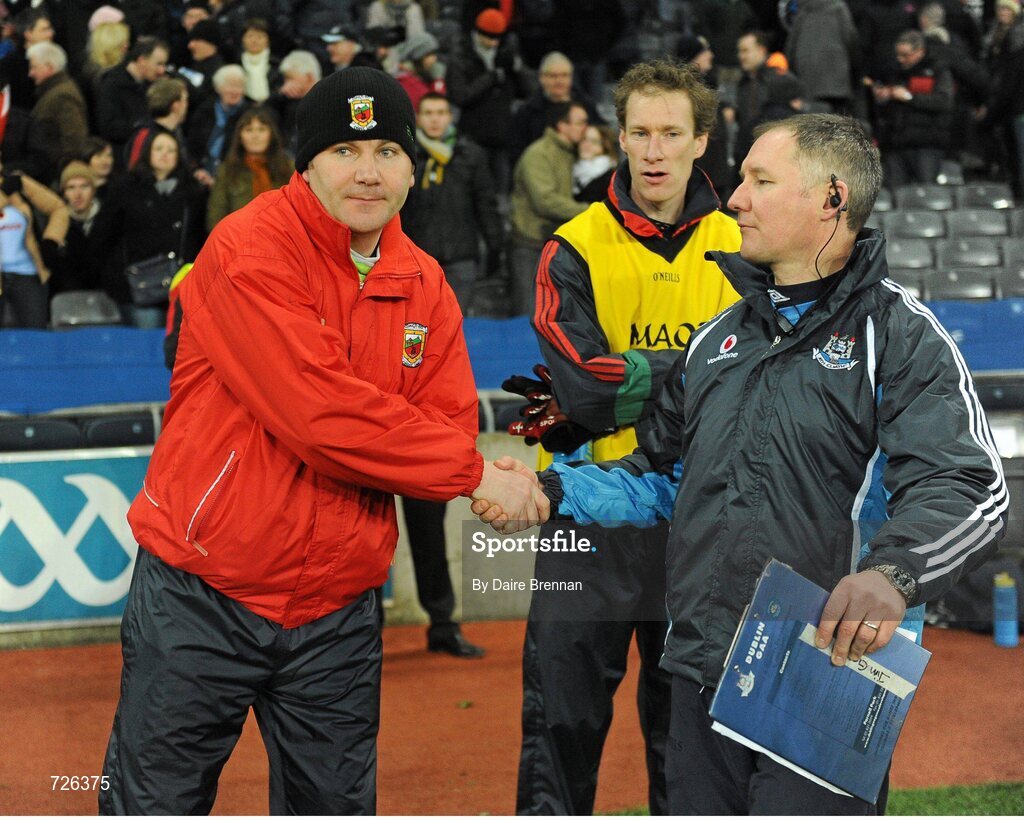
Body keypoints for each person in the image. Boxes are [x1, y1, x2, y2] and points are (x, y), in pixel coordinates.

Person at [476, 113, 1008, 815]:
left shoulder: (899, 335)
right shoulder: (716, 341)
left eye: (760, 180)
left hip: (830, 669)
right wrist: (548, 490)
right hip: (703, 668)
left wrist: (894, 574)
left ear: (831, 199)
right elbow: (658, 478)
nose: (735, 199)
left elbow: (970, 486)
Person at [98, 65, 544, 815]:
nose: (367, 173)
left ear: (414, 167)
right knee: (153, 804)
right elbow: (318, 414)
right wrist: (473, 474)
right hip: (204, 591)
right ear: (305, 165)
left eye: (387, 153)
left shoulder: (425, 280)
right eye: (343, 151)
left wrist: (462, 463)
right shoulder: (248, 246)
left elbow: (445, 420)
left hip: (337, 608)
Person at [508, 59, 741, 816]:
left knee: (690, 737)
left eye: (671, 133)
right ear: (618, 138)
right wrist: (703, 367)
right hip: (587, 516)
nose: (653, 150)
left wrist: (631, 379)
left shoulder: (747, 241)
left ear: (700, 141)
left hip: (699, 524)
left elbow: (763, 378)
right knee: (560, 726)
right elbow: (580, 386)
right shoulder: (571, 245)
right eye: (638, 132)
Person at [93, 130, 206, 326]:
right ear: (147, 153)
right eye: (159, 148)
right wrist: (116, 278)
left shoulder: (193, 192)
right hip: (138, 285)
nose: (165, 154)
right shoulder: (125, 188)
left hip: (181, 285)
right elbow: (103, 236)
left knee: (179, 351)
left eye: (171, 150)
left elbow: (199, 238)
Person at [508, 100, 589, 316]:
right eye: (580, 122)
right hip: (530, 243)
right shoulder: (539, 154)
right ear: (562, 126)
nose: (585, 128)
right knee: (528, 313)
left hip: (555, 243)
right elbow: (545, 201)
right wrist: (591, 211)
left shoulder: (573, 153)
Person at [446, 8, 530, 195]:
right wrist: (490, 77)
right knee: (472, 191)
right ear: (478, 33)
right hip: (472, 137)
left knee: (500, 193)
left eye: (497, 38)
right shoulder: (462, 56)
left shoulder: (505, 56)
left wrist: (517, 69)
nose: (494, 43)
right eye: (490, 38)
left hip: (501, 137)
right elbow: (460, 95)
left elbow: (527, 92)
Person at [872, 30, 954, 187]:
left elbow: (944, 101)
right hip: (896, 143)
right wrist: (884, 97)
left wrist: (910, 97)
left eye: (905, 55)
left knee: (926, 189)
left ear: (920, 51)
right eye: (898, 54)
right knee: (896, 190)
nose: (900, 59)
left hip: (927, 143)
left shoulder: (937, 70)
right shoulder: (893, 70)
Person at [206, 105, 293, 229]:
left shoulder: (288, 167)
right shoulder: (227, 170)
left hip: (284, 239)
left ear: (271, 134)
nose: (255, 136)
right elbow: (215, 218)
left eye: (261, 129)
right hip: (240, 240)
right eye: (249, 130)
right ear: (240, 137)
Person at [96, 36, 169, 164]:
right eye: (158, 64)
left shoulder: (151, 85)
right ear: (141, 60)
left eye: (164, 65)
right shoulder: (112, 84)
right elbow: (109, 127)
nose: (162, 71)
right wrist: (142, 126)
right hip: (122, 159)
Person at [26, 41, 88, 182]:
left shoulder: (63, 95)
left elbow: (74, 140)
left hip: (56, 175)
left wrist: (63, 175)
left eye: (34, 67)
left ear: (49, 67)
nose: (30, 73)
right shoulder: (53, 92)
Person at [187, 63, 251, 177]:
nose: (234, 91)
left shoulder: (249, 115)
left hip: (233, 175)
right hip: (201, 171)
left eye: (239, 86)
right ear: (218, 88)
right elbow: (191, 146)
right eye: (229, 86)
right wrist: (196, 170)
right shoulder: (204, 110)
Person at [394, 31, 445, 111]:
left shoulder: (418, 77)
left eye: (434, 54)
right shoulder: (406, 81)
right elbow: (434, 109)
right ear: (417, 58)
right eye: (428, 55)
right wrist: (438, 82)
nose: (434, 59)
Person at [571, 123, 616, 202]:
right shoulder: (571, 169)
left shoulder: (611, 179)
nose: (587, 145)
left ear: (605, 147)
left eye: (594, 141)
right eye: (584, 139)